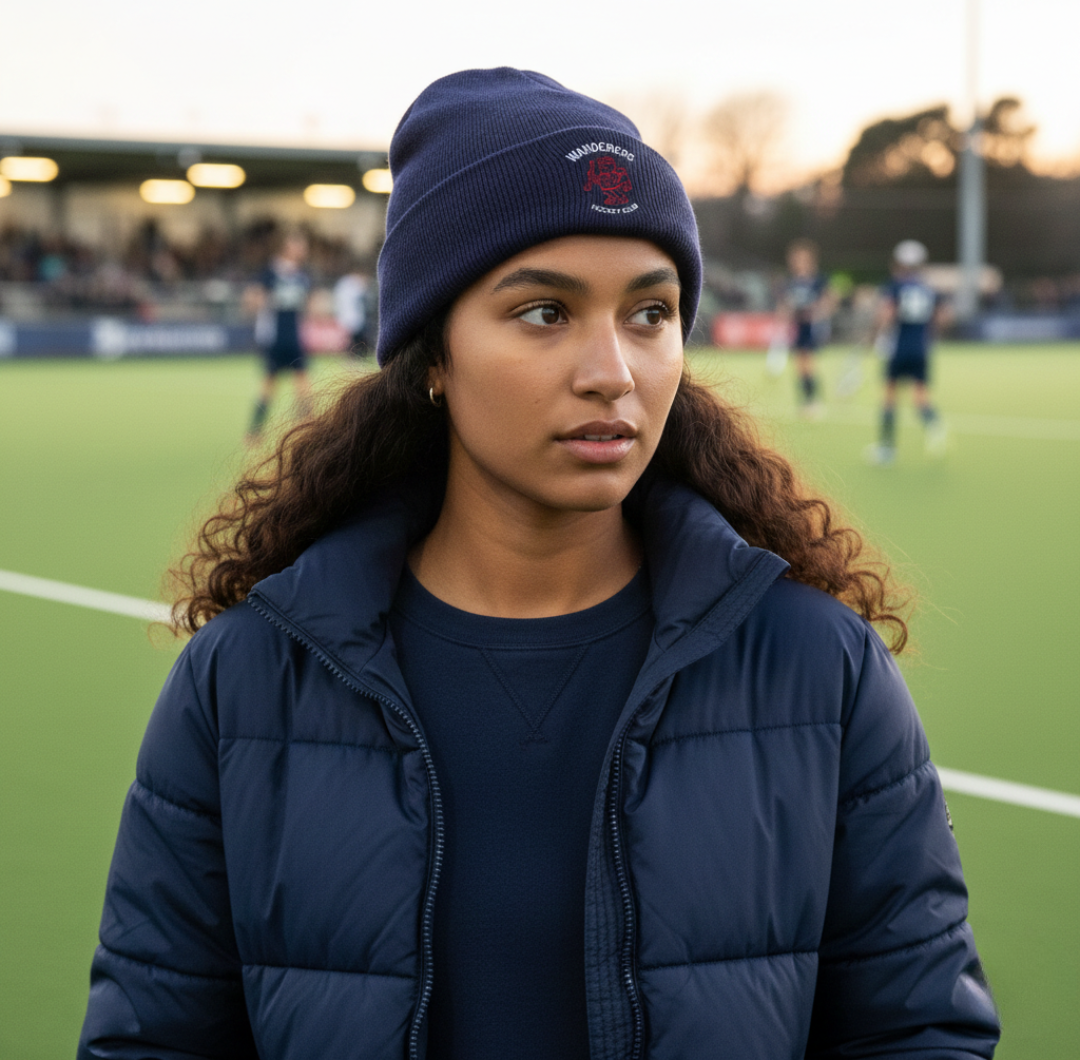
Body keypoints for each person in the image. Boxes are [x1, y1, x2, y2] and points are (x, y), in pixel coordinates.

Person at [78, 69, 999, 1059]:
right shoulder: (244, 684)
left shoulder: (823, 667)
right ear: (433, 356)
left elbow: (920, 1032)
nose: (614, 372)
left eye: (650, 313)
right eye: (544, 313)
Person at [867, 239, 947, 464]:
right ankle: (935, 426)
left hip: (899, 348)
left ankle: (886, 449)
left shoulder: (894, 285)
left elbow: (887, 314)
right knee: (921, 398)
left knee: (889, 397)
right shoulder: (928, 287)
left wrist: (875, 335)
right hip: (921, 348)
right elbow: (942, 317)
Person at [246, 231, 314, 442]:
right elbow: (251, 299)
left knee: (303, 384)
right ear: (287, 247)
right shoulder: (270, 273)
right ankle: (254, 432)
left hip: (294, 336)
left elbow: (308, 305)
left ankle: (308, 431)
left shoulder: (302, 276)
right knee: (268, 385)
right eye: (299, 244)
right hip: (275, 337)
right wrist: (262, 301)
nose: (303, 249)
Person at [779, 238, 832, 415]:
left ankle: (812, 401)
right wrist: (785, 315)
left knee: (807, 362)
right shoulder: (791, 281)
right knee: (800, 365)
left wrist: (816, 312)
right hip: (798, 326)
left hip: (812, 326)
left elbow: (828, 300)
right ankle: (806, 400)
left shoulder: (818, 280)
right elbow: (786, 304)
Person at [333, 265, 375, 357]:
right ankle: (353, 355)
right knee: (354, 339)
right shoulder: (352, 284)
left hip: (350, 316)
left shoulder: (343, 284)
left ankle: (356, 355)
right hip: (353, 317)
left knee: (355, 338)